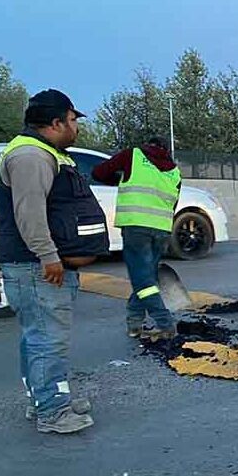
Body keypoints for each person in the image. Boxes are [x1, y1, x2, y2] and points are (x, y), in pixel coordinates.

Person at [0, 89, 109, 434]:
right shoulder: (30, 156)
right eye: (73, 120)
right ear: (56, 122)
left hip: (36, 267)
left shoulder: (43, 153)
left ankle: (45, 400)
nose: (76, 127)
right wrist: (49, 257)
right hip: (37, 268)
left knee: (38, 337)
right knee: (47, 340)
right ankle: (52, 411)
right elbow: (29, 212)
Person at [92, 136, 182, 339]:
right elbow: (173, 204)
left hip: (136, 227)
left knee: (143, 282)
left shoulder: (132, 155)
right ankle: (134, 323)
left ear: (147, 144)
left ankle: (165, 324)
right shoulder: (174, 171)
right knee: (146, 279)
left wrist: (120, 179)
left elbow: (98, 173)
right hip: (161, 229)